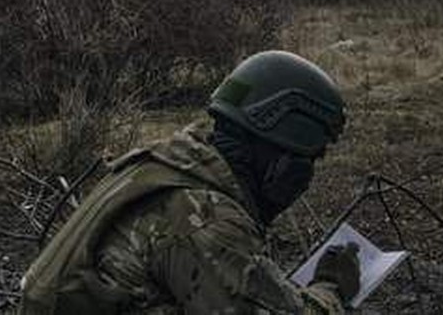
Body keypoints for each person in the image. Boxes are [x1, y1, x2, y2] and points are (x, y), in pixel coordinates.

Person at [19, 50, 360, 314]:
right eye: (308, 162)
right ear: (282, 159)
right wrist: (330, 288)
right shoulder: (204, 217)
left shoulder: (164, 163)